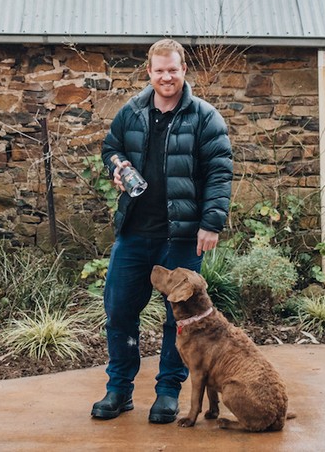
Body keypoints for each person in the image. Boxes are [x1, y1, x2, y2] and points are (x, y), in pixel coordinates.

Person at [91, 38, 233, 424]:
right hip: (134, 233)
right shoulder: (132, 111)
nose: (166, 77)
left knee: (180, 320)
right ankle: (118, 390)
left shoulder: (205, 117)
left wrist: (211, 223)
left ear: (183, 70)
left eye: (173, 69)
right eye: (159, 71)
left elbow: (220, 173)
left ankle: (168, 392)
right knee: (119, 311)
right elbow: (110, 148)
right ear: (149, 73)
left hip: (183, 236)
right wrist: (117, 166)